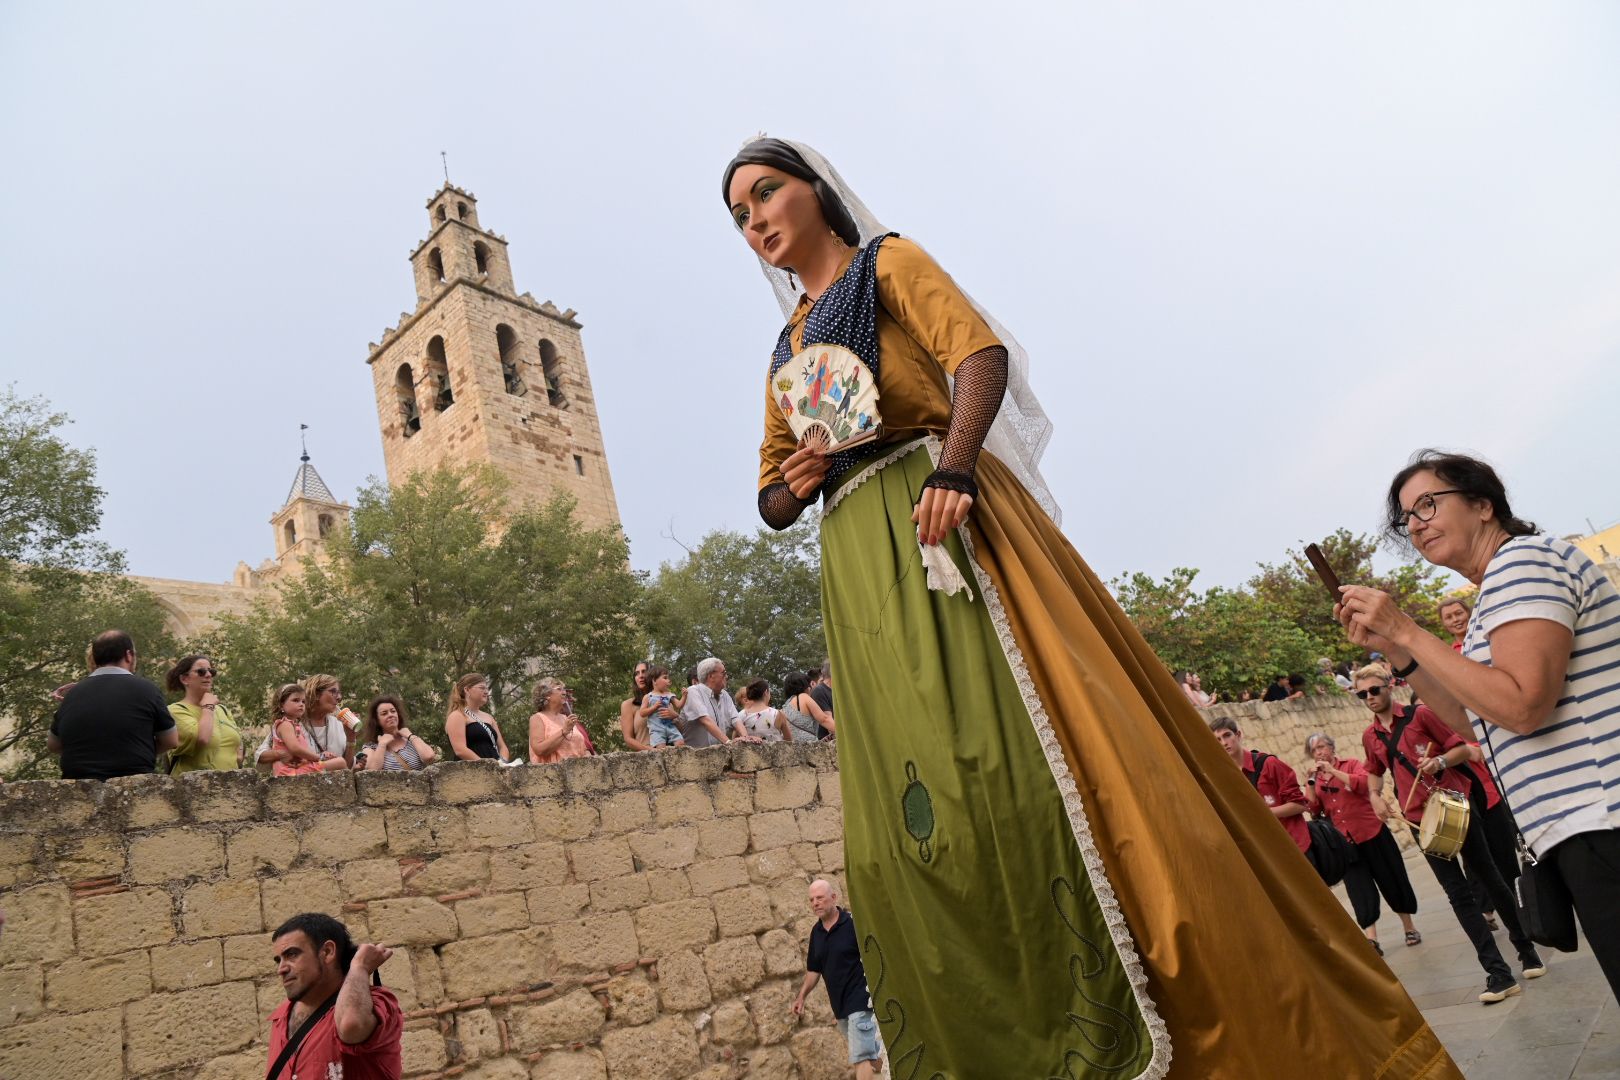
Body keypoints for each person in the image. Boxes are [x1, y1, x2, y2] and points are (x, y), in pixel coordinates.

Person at [725, 137, 1455, 1076]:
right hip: (861, 575)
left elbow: (977, 358)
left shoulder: (888, 263)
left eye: (766, 191)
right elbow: (771, 504)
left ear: (817, 192)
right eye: (739, 214)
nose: (754, 219)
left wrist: (954, 466)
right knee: (925, 823)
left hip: (942, 519)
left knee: (1040, 765)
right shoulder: (789, 352)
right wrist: (799, 474)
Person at [1337, 450, 1620, 999]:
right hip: (1584, 827)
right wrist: (1398, 650)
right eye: (1406, 517)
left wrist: (1408, 629)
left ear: (1483, 504)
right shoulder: (1497, 589)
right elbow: (1476, 720)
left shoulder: (1522, 563)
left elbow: (1522, 707)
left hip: (1602, 818)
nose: (1416, 525)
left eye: (1427, 504)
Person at [1353, 664, 1542, 1000]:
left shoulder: (1421, 715)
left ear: (1388, 686)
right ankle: (1497, 972)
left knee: (1489, 877)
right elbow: (1373, 771)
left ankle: (1526, 949)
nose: (1369, 697)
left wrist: (1439, 762)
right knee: (1457, 894)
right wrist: (1374, 796)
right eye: (1362, 693)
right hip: (1419, 820)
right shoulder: (1371, 737)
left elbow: (1459, 748)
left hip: (1455, 808)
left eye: (1374, 690)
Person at [1303, 732, 1420, 953]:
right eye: (1314, 750)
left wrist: (1334, 771)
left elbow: (1363, 783)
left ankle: (1409, 927)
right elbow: (1314, 809)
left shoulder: (1351, 764)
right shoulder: (1315, 778)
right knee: (1358, 889)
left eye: (1321, 747)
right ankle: (1372, 939)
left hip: (1371, 831)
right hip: (1344, 841)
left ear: (1331, 747)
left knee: (1391, 878)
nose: (1319, 753)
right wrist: (1309, 785)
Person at [266, 912, 402, 1079]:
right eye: (278, 960)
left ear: (328, 952)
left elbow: (351, 1025)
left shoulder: (375, 1003)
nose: (281, 969)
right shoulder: (280, 1017)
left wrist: (359, 967)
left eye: (292, 954)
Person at [47, 630, 178, 780]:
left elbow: (53, 744)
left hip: (79, 786)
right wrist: (136, 749)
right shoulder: (147, 690)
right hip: (133, 785)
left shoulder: (72, 694)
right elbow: (171, 740)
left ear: (95, 658)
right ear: (129, 655)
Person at [791, 879, 878, 1080]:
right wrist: (801, 996)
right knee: (873, 1057)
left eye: (819, 898)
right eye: (811, 899)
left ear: (833, 897)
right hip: (840, 1008)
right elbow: (814, 969)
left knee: (861, 1057)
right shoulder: (817, 932)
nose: (815, 903)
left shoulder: (853, 924)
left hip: (861, 1001)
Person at [1208, 717, 1310, 854]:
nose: (1224, 743)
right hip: (1266, 852)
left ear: (1238, 735)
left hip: (1296, 846)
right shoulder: (1226, 778)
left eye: (1227, 735)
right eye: (1218, 740)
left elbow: (1300, 804)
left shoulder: (1269, 764)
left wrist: (1261, 813)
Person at [164, 654, 245, 773]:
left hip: (230, 787)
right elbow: (202, 739)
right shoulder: (176, 710)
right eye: (201, 671)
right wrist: (208, 707)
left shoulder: (222, 710)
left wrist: (238, 757)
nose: (208, 675)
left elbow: (238, 741)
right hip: (193, 788)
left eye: (211, 671)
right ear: (184, 679)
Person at [270, 684, 350, 776]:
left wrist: (323, 755)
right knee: (340, 762)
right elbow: (295, 749)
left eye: (303, 702)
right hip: (290, 772)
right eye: (295, 700)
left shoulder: (293, 725)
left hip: (298, 769)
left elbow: (299, 754)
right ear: (281, 705)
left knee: (335, 761)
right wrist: (319, 757)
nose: (301, 704)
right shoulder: (285, 724)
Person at [356, 696, 435, 772]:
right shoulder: (371, 747)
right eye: (384, 713)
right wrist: (382, 745)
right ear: (377, 720)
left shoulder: (411, 740)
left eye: (393, 711)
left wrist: (410, 736)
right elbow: (372, 771)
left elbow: (429, 757)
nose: (390, 715)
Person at [445, 673, 512, 762]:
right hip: (472, 771)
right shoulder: (457, 715)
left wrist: (503, 762)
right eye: (482, 688)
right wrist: (486, 766)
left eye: (486, 688)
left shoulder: (489, 717)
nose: (486, 692)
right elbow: (460, 750)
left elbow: (502, 746)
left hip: (495, 770)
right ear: (467, 689)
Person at [677, 658, 736, 748]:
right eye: (723, 673)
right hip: (697, 756)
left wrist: (746, 737)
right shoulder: (692, 691)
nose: (726, 676)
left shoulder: (723, 694)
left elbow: (736, 719)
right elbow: (705, 720)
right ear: (711, 676)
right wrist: (728, 742)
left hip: (719, 753)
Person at [528, 677, 590, 763]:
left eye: (564, 689)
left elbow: (582, 747)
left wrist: (588, 756)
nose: (564, 692)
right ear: (547, 695)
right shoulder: (537, 718)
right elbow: (539, 750)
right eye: (559, 689)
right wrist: (564, 731)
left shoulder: (566, 718)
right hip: (554, 774)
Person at [638, 666, 689, 748]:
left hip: (670, 726)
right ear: (654, 680)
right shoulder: (648, 697)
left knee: (681, 743)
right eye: (665, 678)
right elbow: (642, 713)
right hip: (657, 729)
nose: (668, 681)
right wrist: (653, 707)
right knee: (661, 749)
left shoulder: (669, 695)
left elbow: (679, 705)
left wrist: (684, 696)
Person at [779, 671, 833, 743]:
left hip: (792, 749)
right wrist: (844, 732)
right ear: (805, 686)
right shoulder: (803, 697)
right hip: (809, 748)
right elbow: (824, 719)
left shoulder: (784, 708)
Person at [618, 662, 654, 752]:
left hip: (669, 753)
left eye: (644, 672)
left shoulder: (666, 699)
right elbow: (628, 739)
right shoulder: (628, 705)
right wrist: (650, 750)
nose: (640, 676)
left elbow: (680, 730)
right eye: (637, 673)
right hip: (647, 758)